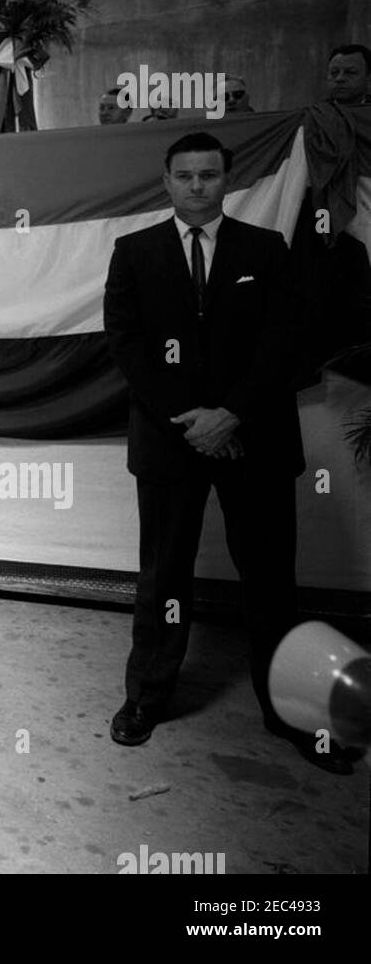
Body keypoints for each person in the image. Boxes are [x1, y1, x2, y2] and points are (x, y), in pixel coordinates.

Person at [103, 132, 358, 773]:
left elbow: (285, 342)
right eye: (184, 175)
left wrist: (231, 414)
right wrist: (187, 420)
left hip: (256, 439)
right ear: (166, 182)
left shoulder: (266, 250)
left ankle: (290, 711)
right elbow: (128, 348)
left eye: (208, 175)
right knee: (163, 577)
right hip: (170, 441)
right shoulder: (133, 253)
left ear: (227, 180)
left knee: (270, 581)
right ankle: (147, 698)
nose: (196, 186)